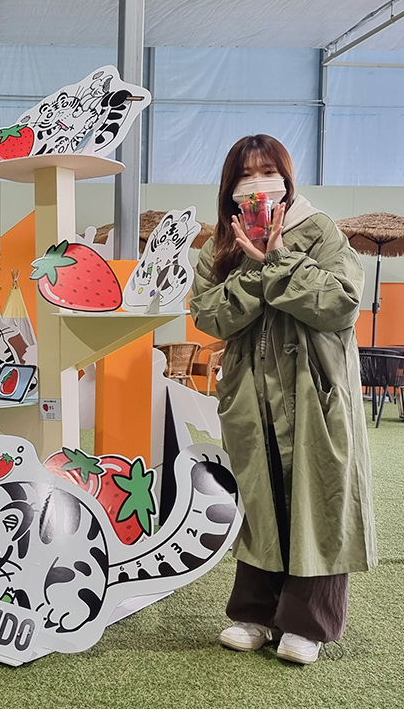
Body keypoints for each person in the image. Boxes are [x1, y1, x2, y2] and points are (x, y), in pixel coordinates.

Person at [189, 134, 377, 665]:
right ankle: (255, 613)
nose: (257, 184)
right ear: (230, 187)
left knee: (319, 498)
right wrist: (254, 266)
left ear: (287, 179)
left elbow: (341, 303)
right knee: (259, 497)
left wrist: (277, 259)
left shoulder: (320, 231)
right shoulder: (218, 246)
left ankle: (306, 623)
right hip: (251, 393)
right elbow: (209, 315)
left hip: (315, 391)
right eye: (245, 175)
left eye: (268, 172)